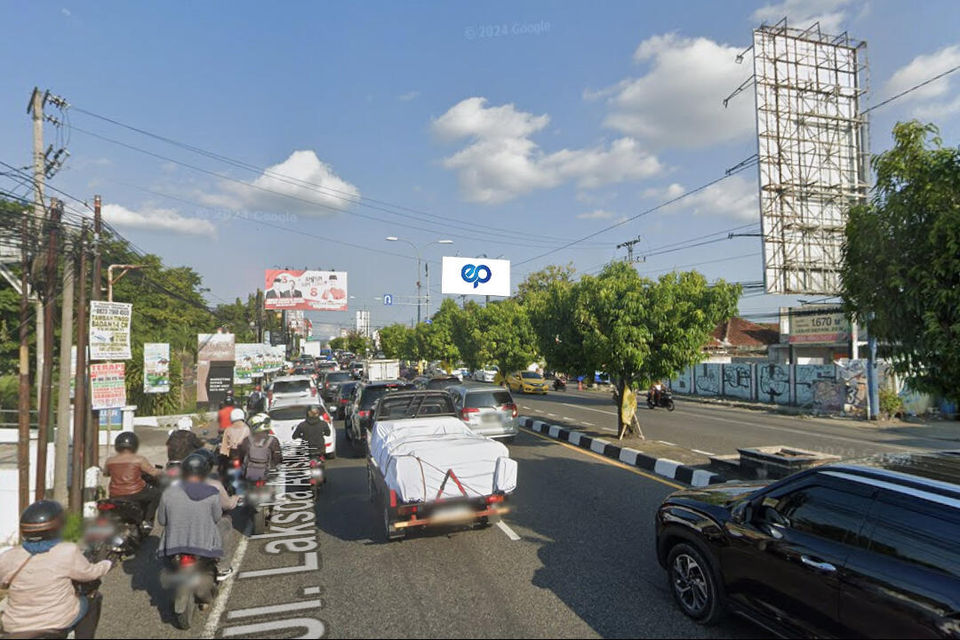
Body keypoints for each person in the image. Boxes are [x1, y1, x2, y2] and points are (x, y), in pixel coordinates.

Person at [0, 500, 112, 638]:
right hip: (55, 621)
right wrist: (106, 564)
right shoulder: (66, 551)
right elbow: (89, 573)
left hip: (15, 625)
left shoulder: (8, 556)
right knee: (92, 598)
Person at [157, 453, 232, 581]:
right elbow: (216, 517)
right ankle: (223, 567)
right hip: (204, 544)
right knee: (225, 523)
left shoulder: (168, 492)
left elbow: (162, 520)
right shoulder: (212, 492)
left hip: (174, 545)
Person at [103, 432, 161, 532]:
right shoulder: (139, 459)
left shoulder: (110, 460)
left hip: (115, 494)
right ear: (134, 445)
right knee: (157, 494)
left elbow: (105, 473)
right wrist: (162, 472)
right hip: (136, 492)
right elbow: (153, 472)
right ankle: (147, 521)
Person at [240, 413, 283, 482]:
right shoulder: (273, 440)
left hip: (250, 476)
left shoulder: (247, 440)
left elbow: (241, 456)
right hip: (268, 476)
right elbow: (278, 458)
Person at [219, 408, 252, 482]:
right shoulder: (248, 429)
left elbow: (224, 449)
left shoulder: (228, 429)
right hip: (244, 456)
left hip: (232, 456)